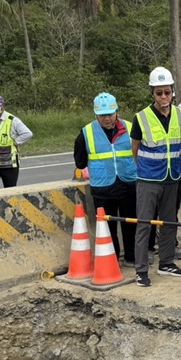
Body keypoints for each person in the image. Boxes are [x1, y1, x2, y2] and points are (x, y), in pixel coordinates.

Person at [131, 66, 181, 287]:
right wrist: (144, 168)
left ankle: (166, 262)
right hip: (149, 180)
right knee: (144, 224)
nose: (164, 97)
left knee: (169, 222)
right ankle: (141, 270)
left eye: (167, 92)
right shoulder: (141, 117)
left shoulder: (179, 114)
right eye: (159, 93)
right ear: (153, 93)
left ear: (172, 93)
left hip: (172, 177)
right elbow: (135, 149)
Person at [74, 93, 137, 265]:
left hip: (128, 184)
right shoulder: (86, 133)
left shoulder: (131, 128)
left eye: (110, 114)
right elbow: (80, 161)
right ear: (96, 115)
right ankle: (112, 259)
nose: (107, 119)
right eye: (102, 116)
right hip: (103, 189)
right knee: (107, 227)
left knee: (130, 223)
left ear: (117, 112)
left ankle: (132, 257)